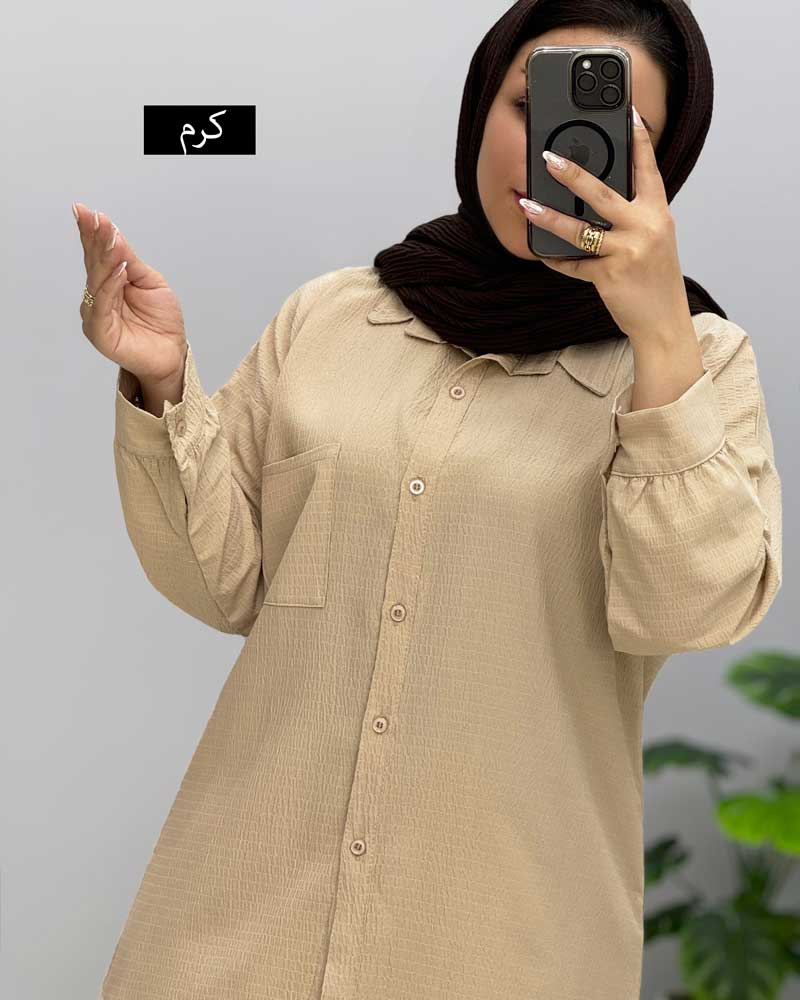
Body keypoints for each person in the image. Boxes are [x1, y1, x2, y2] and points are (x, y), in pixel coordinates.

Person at [77, 1, 782, 998]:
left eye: (617, 134)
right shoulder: (334, 315)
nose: (559, 152)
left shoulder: (698, 365)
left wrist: (658, 339)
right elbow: (221, 583)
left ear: (663, 167)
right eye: (527, 104)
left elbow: (684, 610)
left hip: (502, 946)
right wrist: (160, 384)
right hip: (236, 926)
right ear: (480, 102)